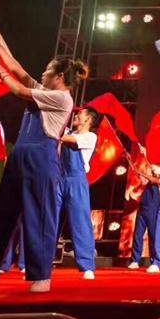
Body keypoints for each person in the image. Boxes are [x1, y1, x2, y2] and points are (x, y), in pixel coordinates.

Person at [0, 23, 83, 294]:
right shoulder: (44, 90)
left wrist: (2, 76)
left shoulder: (61, 98)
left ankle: (41, 276)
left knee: (39, 218)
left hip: (42, 160)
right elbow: (17, 68)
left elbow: (20, 90)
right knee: (2, 217)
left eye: (47, 70)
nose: (43, 73)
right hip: (19, 158)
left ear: (59, 76)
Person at [57, 107, 99, 280]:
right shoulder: (68, 132)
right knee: (50, 220)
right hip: (59, 179)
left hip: (76, 180)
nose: (76, 116)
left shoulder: (90, 137)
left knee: (80, 222)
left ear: (88, 120)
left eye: (80, 114)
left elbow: (62, 137)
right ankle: (37, 264)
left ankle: (87, 265)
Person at [126, 145, 160, 270]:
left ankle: (154, 261)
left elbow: (154, 179)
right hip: (142, 209)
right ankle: (135, 260)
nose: (152, 170)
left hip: (153, 211)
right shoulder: (149, 180)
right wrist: (130, 160)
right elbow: (136, 171)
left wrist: (146, 155)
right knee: (138, 235)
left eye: (155, 169)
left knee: (153, 236)